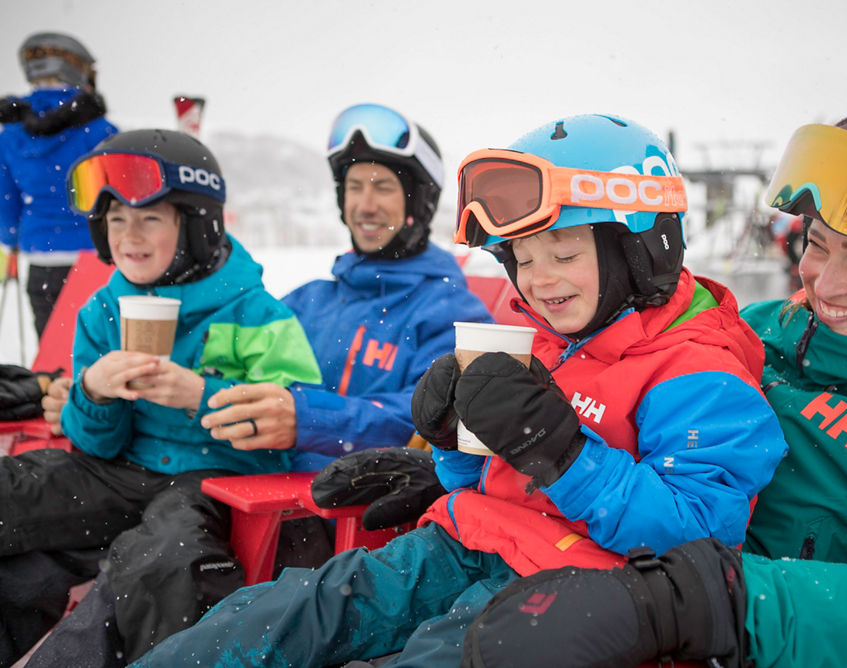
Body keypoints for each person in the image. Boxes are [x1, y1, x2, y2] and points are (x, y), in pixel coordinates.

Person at [130, 113, 789, 667]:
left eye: (562, 252)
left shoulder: (701, 371)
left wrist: (562, 454)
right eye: (522, 258)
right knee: (282, 614)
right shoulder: (542, 330)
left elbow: (697, 537)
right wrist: (453, 440)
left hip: (569, 589)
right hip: (461, 543)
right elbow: (483, 482)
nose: (538, 280)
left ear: (637, 247)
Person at [460, 99, 847, 668]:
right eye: (816, 244)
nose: (826, 283)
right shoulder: (762, 330)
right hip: (614, 592)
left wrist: (693, 600)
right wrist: (491, 456)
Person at [0, 128, 323, 667]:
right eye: (116, 219)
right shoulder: (103, 312)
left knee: (167, 557)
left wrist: (202, 395)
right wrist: (95, 393)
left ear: (196, 227)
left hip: (216, 481)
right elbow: (95, 445)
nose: (130, 234)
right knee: (16, 490)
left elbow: (287, 427)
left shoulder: (256, 315)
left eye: (149, 217)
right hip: (123, 472)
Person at [196, 102, 492, 476]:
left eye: (382, 187)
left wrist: (308, 420)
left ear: (418, 201)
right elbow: (233, 366)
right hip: (254, 490)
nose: (365, 205)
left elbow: (430, 422)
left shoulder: (450, 312)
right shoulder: (309, 300)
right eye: (354, 187)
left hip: (357, 514)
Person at [0, 31, 118, 338]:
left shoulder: (10, 135)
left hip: (40, 257)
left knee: (53, 352)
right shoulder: (100, 131)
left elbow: (6, 201)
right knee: (99, 351)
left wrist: (11, 238)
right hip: (94, 256)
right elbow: (117, 194)